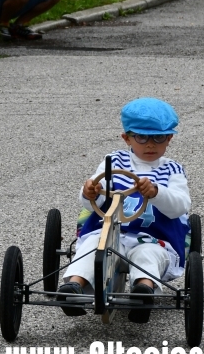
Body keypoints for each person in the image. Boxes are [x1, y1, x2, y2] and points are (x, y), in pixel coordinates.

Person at [59, 98, 191, 324]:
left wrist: (156, 192)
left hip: (152, 237)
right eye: (141, 137)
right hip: (109, 233)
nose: (150, 144)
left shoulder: (172, 170)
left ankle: (143, 291)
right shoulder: (112, 161)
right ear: (127, 138)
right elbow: (90, 199)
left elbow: (180, 206)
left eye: (158, 137)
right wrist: (91, 191)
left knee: (148, 254)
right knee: (93, 246)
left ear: (169, 138)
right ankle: (75, 286)